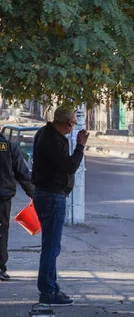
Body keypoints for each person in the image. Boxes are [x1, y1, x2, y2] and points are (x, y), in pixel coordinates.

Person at [32, 107, 89, 306]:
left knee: (50, 245)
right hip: (52, 197)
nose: (73, 128)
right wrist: (80, 146)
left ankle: (51, 287)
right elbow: (70, 166)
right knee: (51, 247)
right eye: (73, 124)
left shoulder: (44, 133)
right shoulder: (53, 140)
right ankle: (48, 291)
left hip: (46, 195)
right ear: (67, 124)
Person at [0, 132, 36, 281]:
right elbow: (22, 172)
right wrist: (33, 195)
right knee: (1, 231)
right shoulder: (8, 146)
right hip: (3, 197)